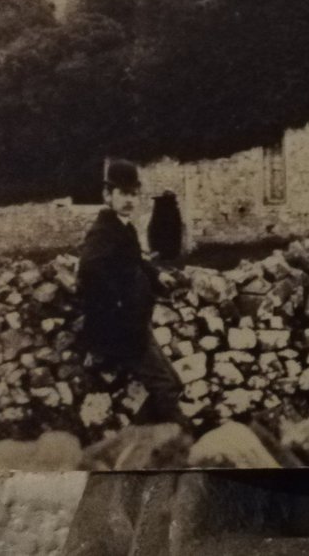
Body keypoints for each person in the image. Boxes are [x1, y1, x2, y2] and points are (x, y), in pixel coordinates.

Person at [76, 159, 184, 424]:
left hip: (134, 323)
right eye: (123, 194)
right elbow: (89, 269)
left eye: (134, 195)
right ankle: (182, 442)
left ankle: (150, 439)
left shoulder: (125, 227)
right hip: (122, 328)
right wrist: (120, 303)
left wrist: (157, 275)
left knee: (172, 382)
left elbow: (135, 260)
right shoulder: (103, 231)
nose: (129, 201)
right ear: (107, 195)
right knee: (167, 385)